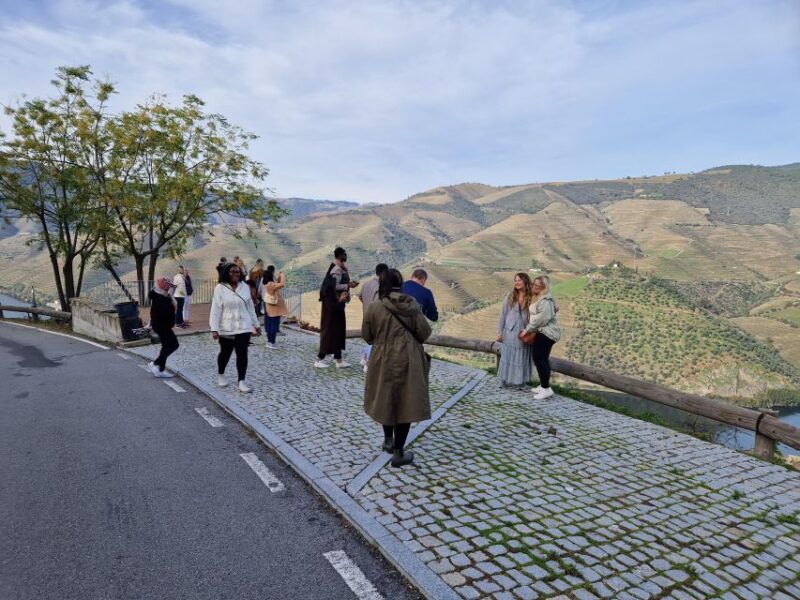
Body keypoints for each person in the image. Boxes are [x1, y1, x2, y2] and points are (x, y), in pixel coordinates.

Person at [362, 268, 432, 467]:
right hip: (409, 358)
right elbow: (424, 332)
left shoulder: (375, 307)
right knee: (406, 401)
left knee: (386, 397)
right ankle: (399, 452)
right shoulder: (412, 305)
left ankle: (388, 440)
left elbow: (367, 336)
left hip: (382, 358)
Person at [209, 262, 261, 393]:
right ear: (226, 273)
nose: (235, 274)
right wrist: (214, 328)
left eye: (237, 272)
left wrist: (256, 324)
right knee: (225, 353)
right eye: (232, 271)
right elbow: (215, 309)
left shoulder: (244, 286)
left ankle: (241, 381)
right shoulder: (220, 288)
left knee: (242, 353)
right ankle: (221, 374)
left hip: (243, 326)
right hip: (226, 326)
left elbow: (250, 306)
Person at [315, 247, 359, 368]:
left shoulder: (340, 268)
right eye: (344, 254)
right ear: (340, 256)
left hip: (337, 305)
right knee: (329, 330)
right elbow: (334, 287)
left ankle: (338, 359)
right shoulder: (336, 270)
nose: (345, 256)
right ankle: (319, 359)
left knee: (338, 331)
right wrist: (349, 285)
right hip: (332, 306)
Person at [520, 275, 561, 400]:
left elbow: (541, 319)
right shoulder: (542, 298)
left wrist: (527, 330)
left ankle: (546, 389)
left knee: (539, 358)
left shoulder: (544, 300)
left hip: (546, 333)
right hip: (544, 332)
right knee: (542, 359)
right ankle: (544, 386)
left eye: (539, 285)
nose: (536, 286)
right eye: (535, 284)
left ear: (544, 287)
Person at [496, 273, 534, 389]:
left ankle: (520, 382)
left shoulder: (532, 297)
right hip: (510, 331)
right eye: (515, 280)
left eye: (519, 280)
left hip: (524, 331)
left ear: (525, 282)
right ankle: (503, 380)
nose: (517, 282)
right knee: (507, 355)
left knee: (522, 356)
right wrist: (500, 332)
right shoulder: (510, 296)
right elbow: (503, 314)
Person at [358, 263, 388, 372]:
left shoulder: (366, 284)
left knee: (370, 339)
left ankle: (364, 359)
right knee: (375, 341)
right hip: (375, 318)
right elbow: (377, 303)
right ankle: (368, 365)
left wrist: (366, 304)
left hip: (365, 315)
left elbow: (360, 296)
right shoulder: (380, 287)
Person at [147, 277, 179, 378]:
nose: (171, 289)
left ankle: (160, 370)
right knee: (174, 344)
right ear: (165, 288)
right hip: (162, 325)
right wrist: (171, 303)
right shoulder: (161, 297)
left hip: (160, 325)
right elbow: (166, 313)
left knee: (166, 346)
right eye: (169, 287)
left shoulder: (158, 295)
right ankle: (155, 363)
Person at [260, 267, 287, 348]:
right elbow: (282, 284)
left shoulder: (267, 284)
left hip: (268, 306)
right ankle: (272, 342)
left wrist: (278, 278)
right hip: (274, 308)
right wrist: (282, 275)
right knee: (274, 325)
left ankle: (269, 341)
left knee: (269, 324)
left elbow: (278, 284)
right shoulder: (271, 284)